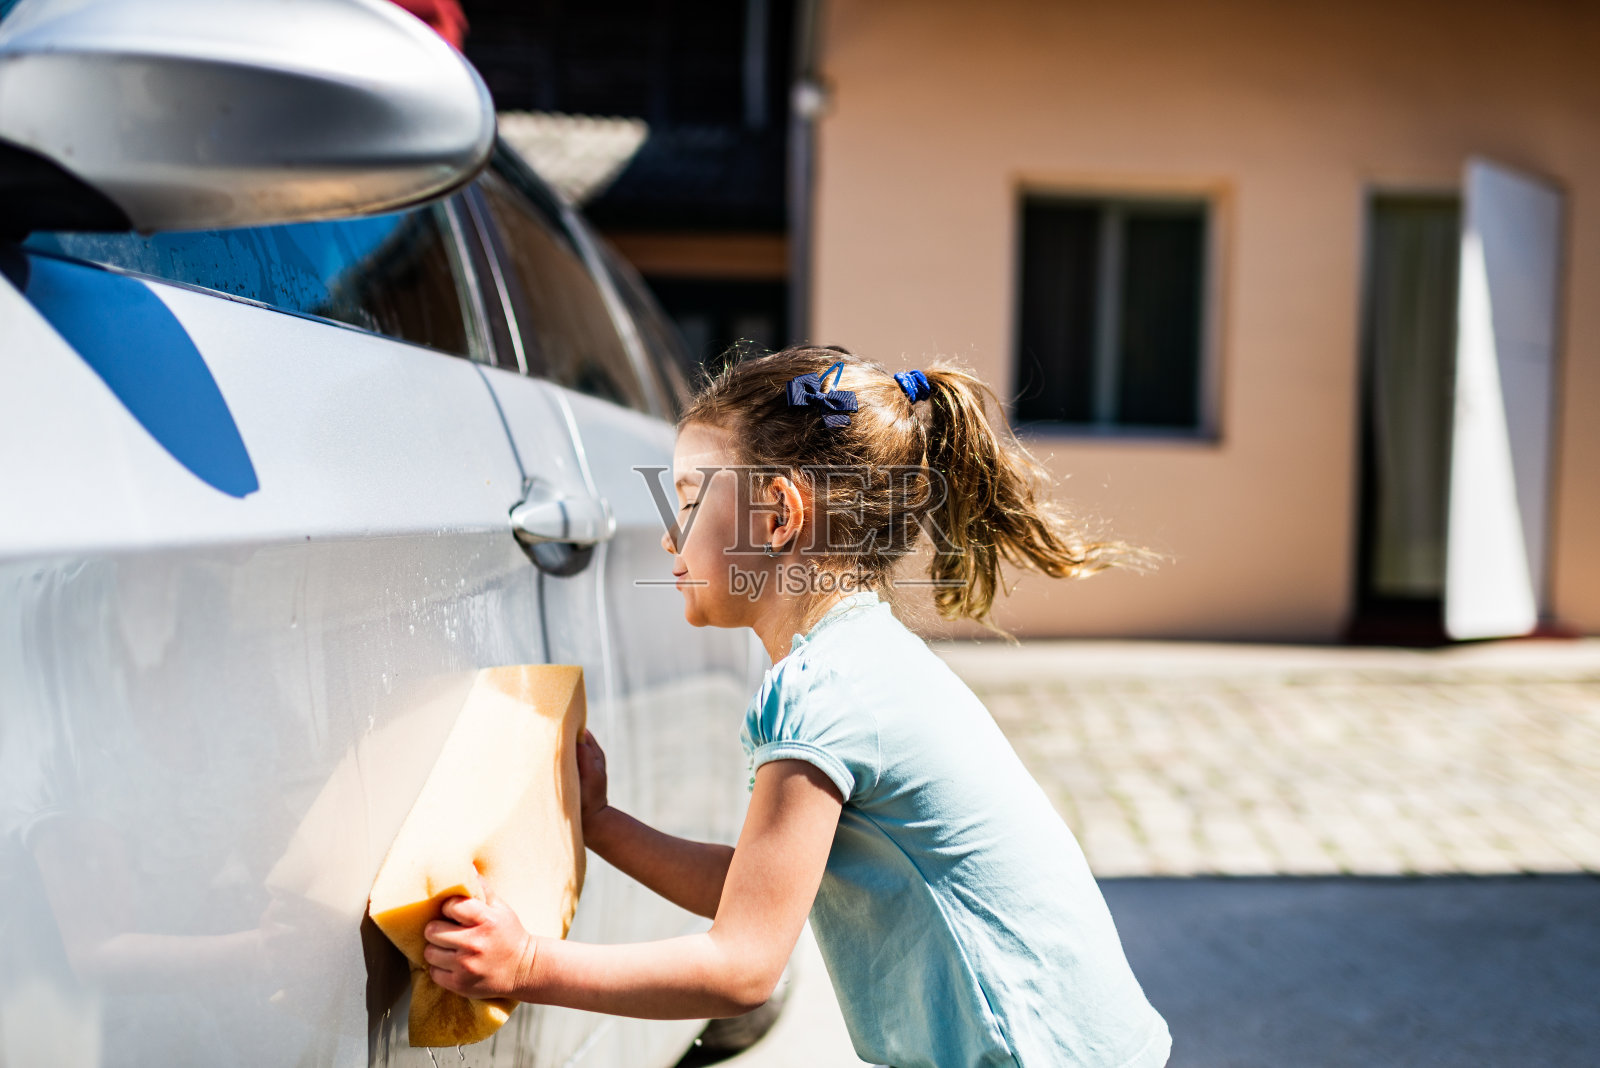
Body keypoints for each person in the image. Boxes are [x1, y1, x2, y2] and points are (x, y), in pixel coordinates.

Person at [422, 346, 1172, 1068]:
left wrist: (525, 964)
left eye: (687, 501)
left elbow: (740, 968)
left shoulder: (820, 694)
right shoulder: (863, 660)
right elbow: (764, 886)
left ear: (778, 516)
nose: (667, 537)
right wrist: (603, 826)